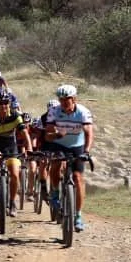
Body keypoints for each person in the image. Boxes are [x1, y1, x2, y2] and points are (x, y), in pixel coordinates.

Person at [42, 84, 94, 232]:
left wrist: (87, 151)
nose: (64, 102)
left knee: (78, 178)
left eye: (68, 99)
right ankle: (54, 193)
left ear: (74, 99)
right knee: (56, 166)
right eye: (61, 99)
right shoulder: (54, 111)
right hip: (58, 144)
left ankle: (78, 216)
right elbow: (48, 135)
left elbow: (89, 132)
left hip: (77, 145)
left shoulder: (83, 112)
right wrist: (57, 135)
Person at [0, 90, 33, 216]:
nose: (3, 106)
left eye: (6, 103)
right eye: (0, 103)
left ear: (9, 103)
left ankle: (12, 202)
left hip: (10, 148)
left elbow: (24, 134)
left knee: (14, 172)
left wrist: (29, 149)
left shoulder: (15, 116)